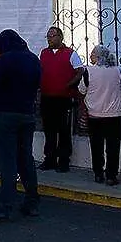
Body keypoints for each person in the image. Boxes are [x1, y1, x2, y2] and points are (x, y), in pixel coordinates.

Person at [0, 30, 41, 222]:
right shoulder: (33, 59)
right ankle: (31, 203)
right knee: (26, 159)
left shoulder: (6, 60)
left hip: (7, 115)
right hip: (28, 114)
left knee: (7, 162)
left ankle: (5, 206)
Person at [78, 45, 121, 186]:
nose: (91, 56)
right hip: (114, 114)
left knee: (96, 145)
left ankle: (98, 173)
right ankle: (112, 175)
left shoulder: (88, 71)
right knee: (113, 146)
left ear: (98, 57)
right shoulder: (117, 70)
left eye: (92, 54)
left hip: (95, 114)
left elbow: (81, 90)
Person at [38, 27, 82, 172]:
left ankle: (64, 160)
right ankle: (49, 159)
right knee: (49, 130)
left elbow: (80, 71)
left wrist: (69, 84)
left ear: (60, 37)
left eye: (53, 36)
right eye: (48, 36)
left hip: (64, 98)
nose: (50, 39)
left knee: (63, 130)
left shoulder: (70, 53)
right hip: (47, 97)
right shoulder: (44, 53)